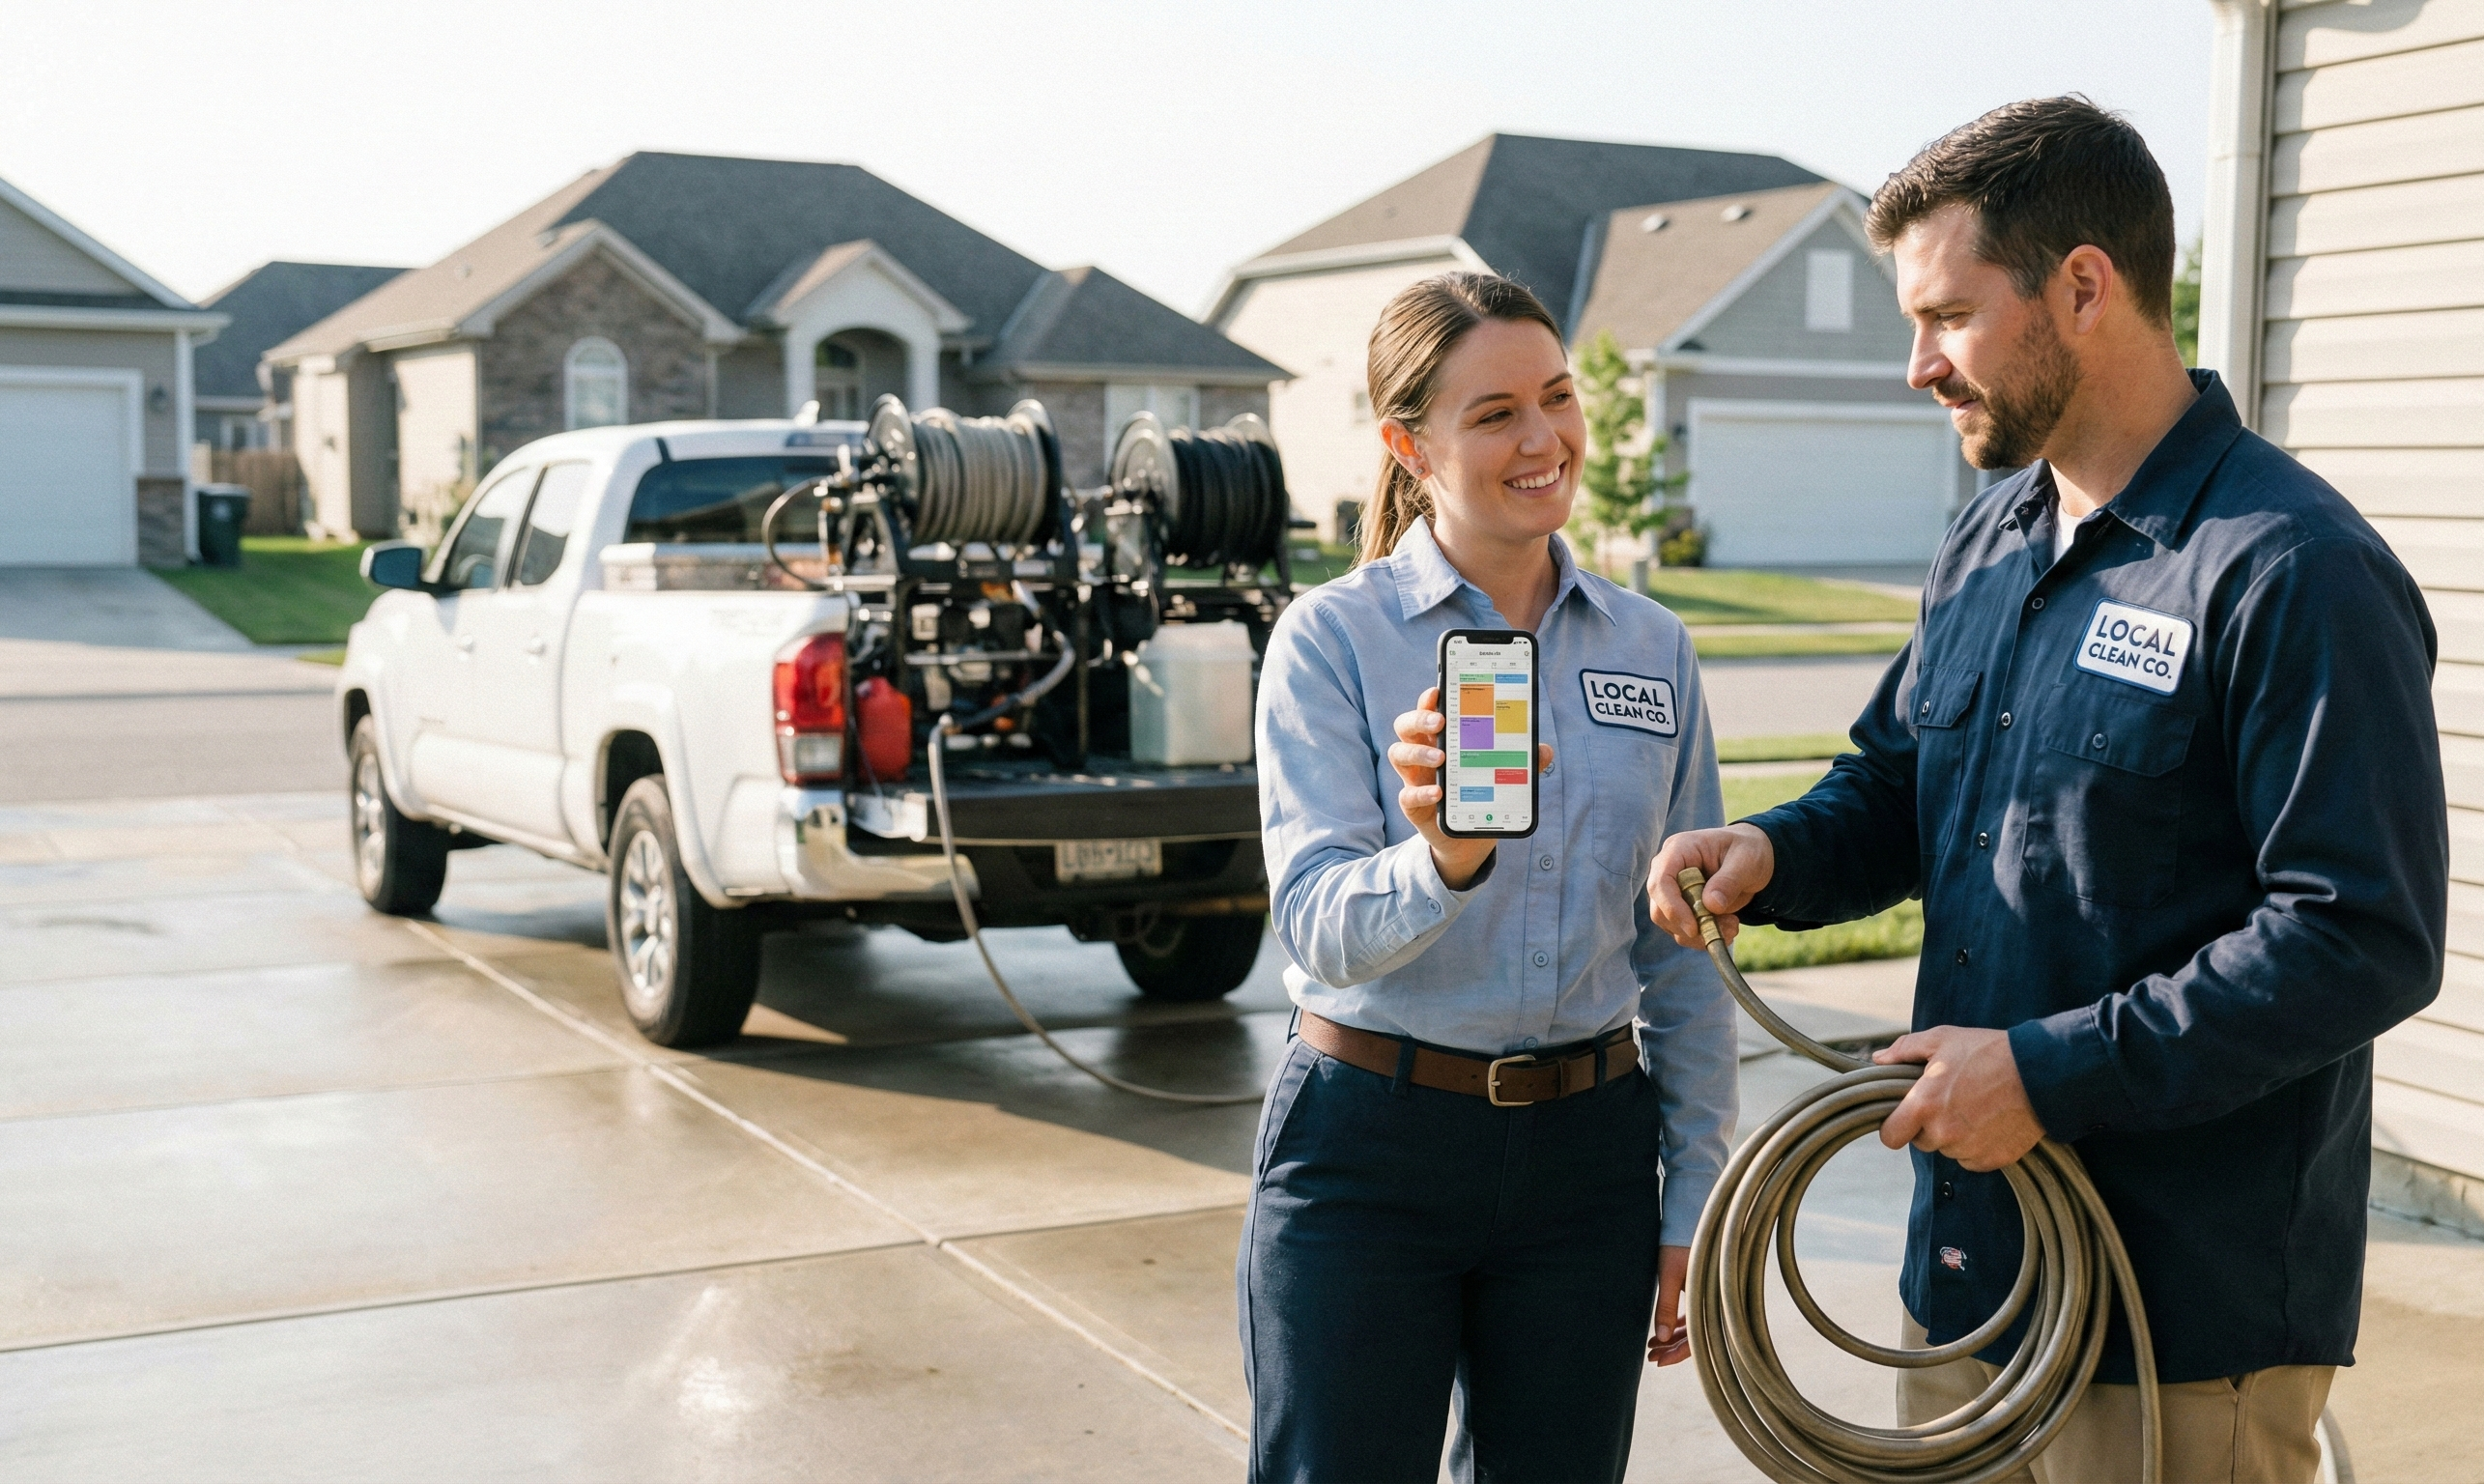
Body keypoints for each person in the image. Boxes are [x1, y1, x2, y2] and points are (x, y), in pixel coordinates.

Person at [1649, 97, 2448, 1483]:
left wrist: (2046, 1073)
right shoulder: (1990, 537)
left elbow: (2359, 934)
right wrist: (1772, 854)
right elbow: (1901, 783)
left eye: (1949, 317)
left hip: (2174, 1328)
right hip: (1966, 1287)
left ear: (2082, 287)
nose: (1917, 366)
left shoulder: (2290, 569)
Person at [1242, 271, 1738, 1482]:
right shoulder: (1331, 638)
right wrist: (1442, 862)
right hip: (1369, 1150)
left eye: (1558, 398)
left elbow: (1687, 951)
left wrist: (1696, 1192)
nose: (1544, 438)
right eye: (1496, 412)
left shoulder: (1652, 647)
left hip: (1587, 1164)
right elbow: (1315, 927)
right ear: (1409, 447)